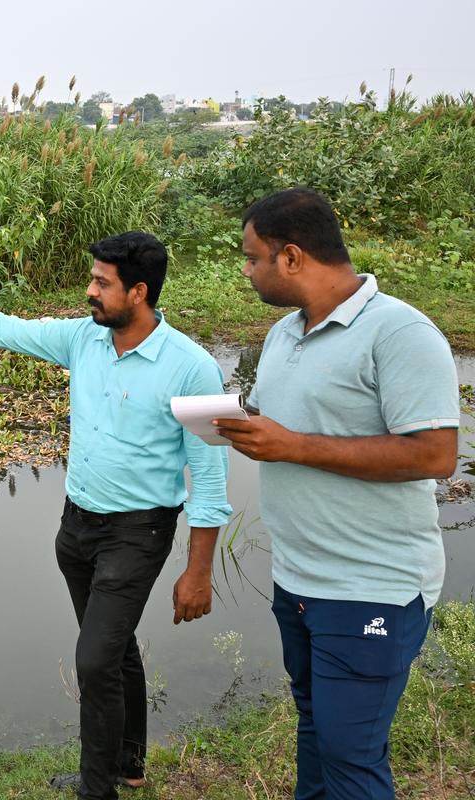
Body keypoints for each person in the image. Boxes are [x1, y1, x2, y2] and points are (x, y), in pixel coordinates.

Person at [0, 231, 232, 800]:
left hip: (139, 532)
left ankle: (95, 789)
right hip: (77, 526)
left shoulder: (195, 369)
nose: (89, 292)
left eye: (101, 283)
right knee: (113, 649)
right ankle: (126, 766)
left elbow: (209, 478)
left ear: (138, 291)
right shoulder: (84, 339)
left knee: (94, 660)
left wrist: (198, 571)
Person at [214, 188, 459, 800]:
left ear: (291, 257)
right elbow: (289, 421)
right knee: (318, 733)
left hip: (371, 586)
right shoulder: (282, 335)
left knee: (352, 756)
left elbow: (435, 454)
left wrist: (292, 445)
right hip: (299, 581)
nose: (246, 272)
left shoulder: (400, 332)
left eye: (252, 258)